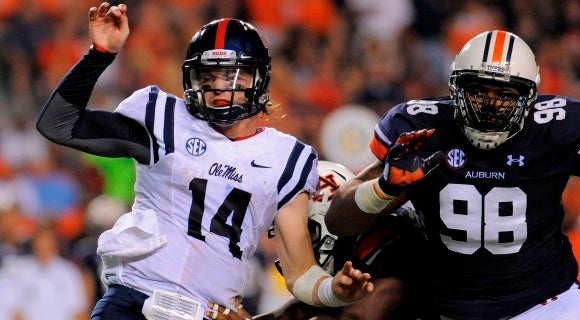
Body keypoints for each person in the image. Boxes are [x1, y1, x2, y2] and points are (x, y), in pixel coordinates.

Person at [36, 2, 372, 320]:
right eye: (208, 77)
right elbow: (58, 124)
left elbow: (300, 272)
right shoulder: (166, 121)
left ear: (259, 79)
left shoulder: (287, 157)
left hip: (208, 313)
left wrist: (334, 290)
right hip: (134, 302)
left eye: (231, 76)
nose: (218, 87)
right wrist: (99, 55)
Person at [324, 29, 580, 320]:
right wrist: (383, 187)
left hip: (547, 302)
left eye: (505, 94)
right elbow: (338, 220)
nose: (490, 105)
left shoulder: (553, 128)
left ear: (529, 97)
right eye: (478, 91)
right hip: (454, 309)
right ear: (455, 88)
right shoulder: (422, 130)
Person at [209, 160, 435, 320]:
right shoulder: (353, 248)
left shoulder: (391, 243)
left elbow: (356, 316)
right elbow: (296, 312)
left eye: (303, 230)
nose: (292, 240)